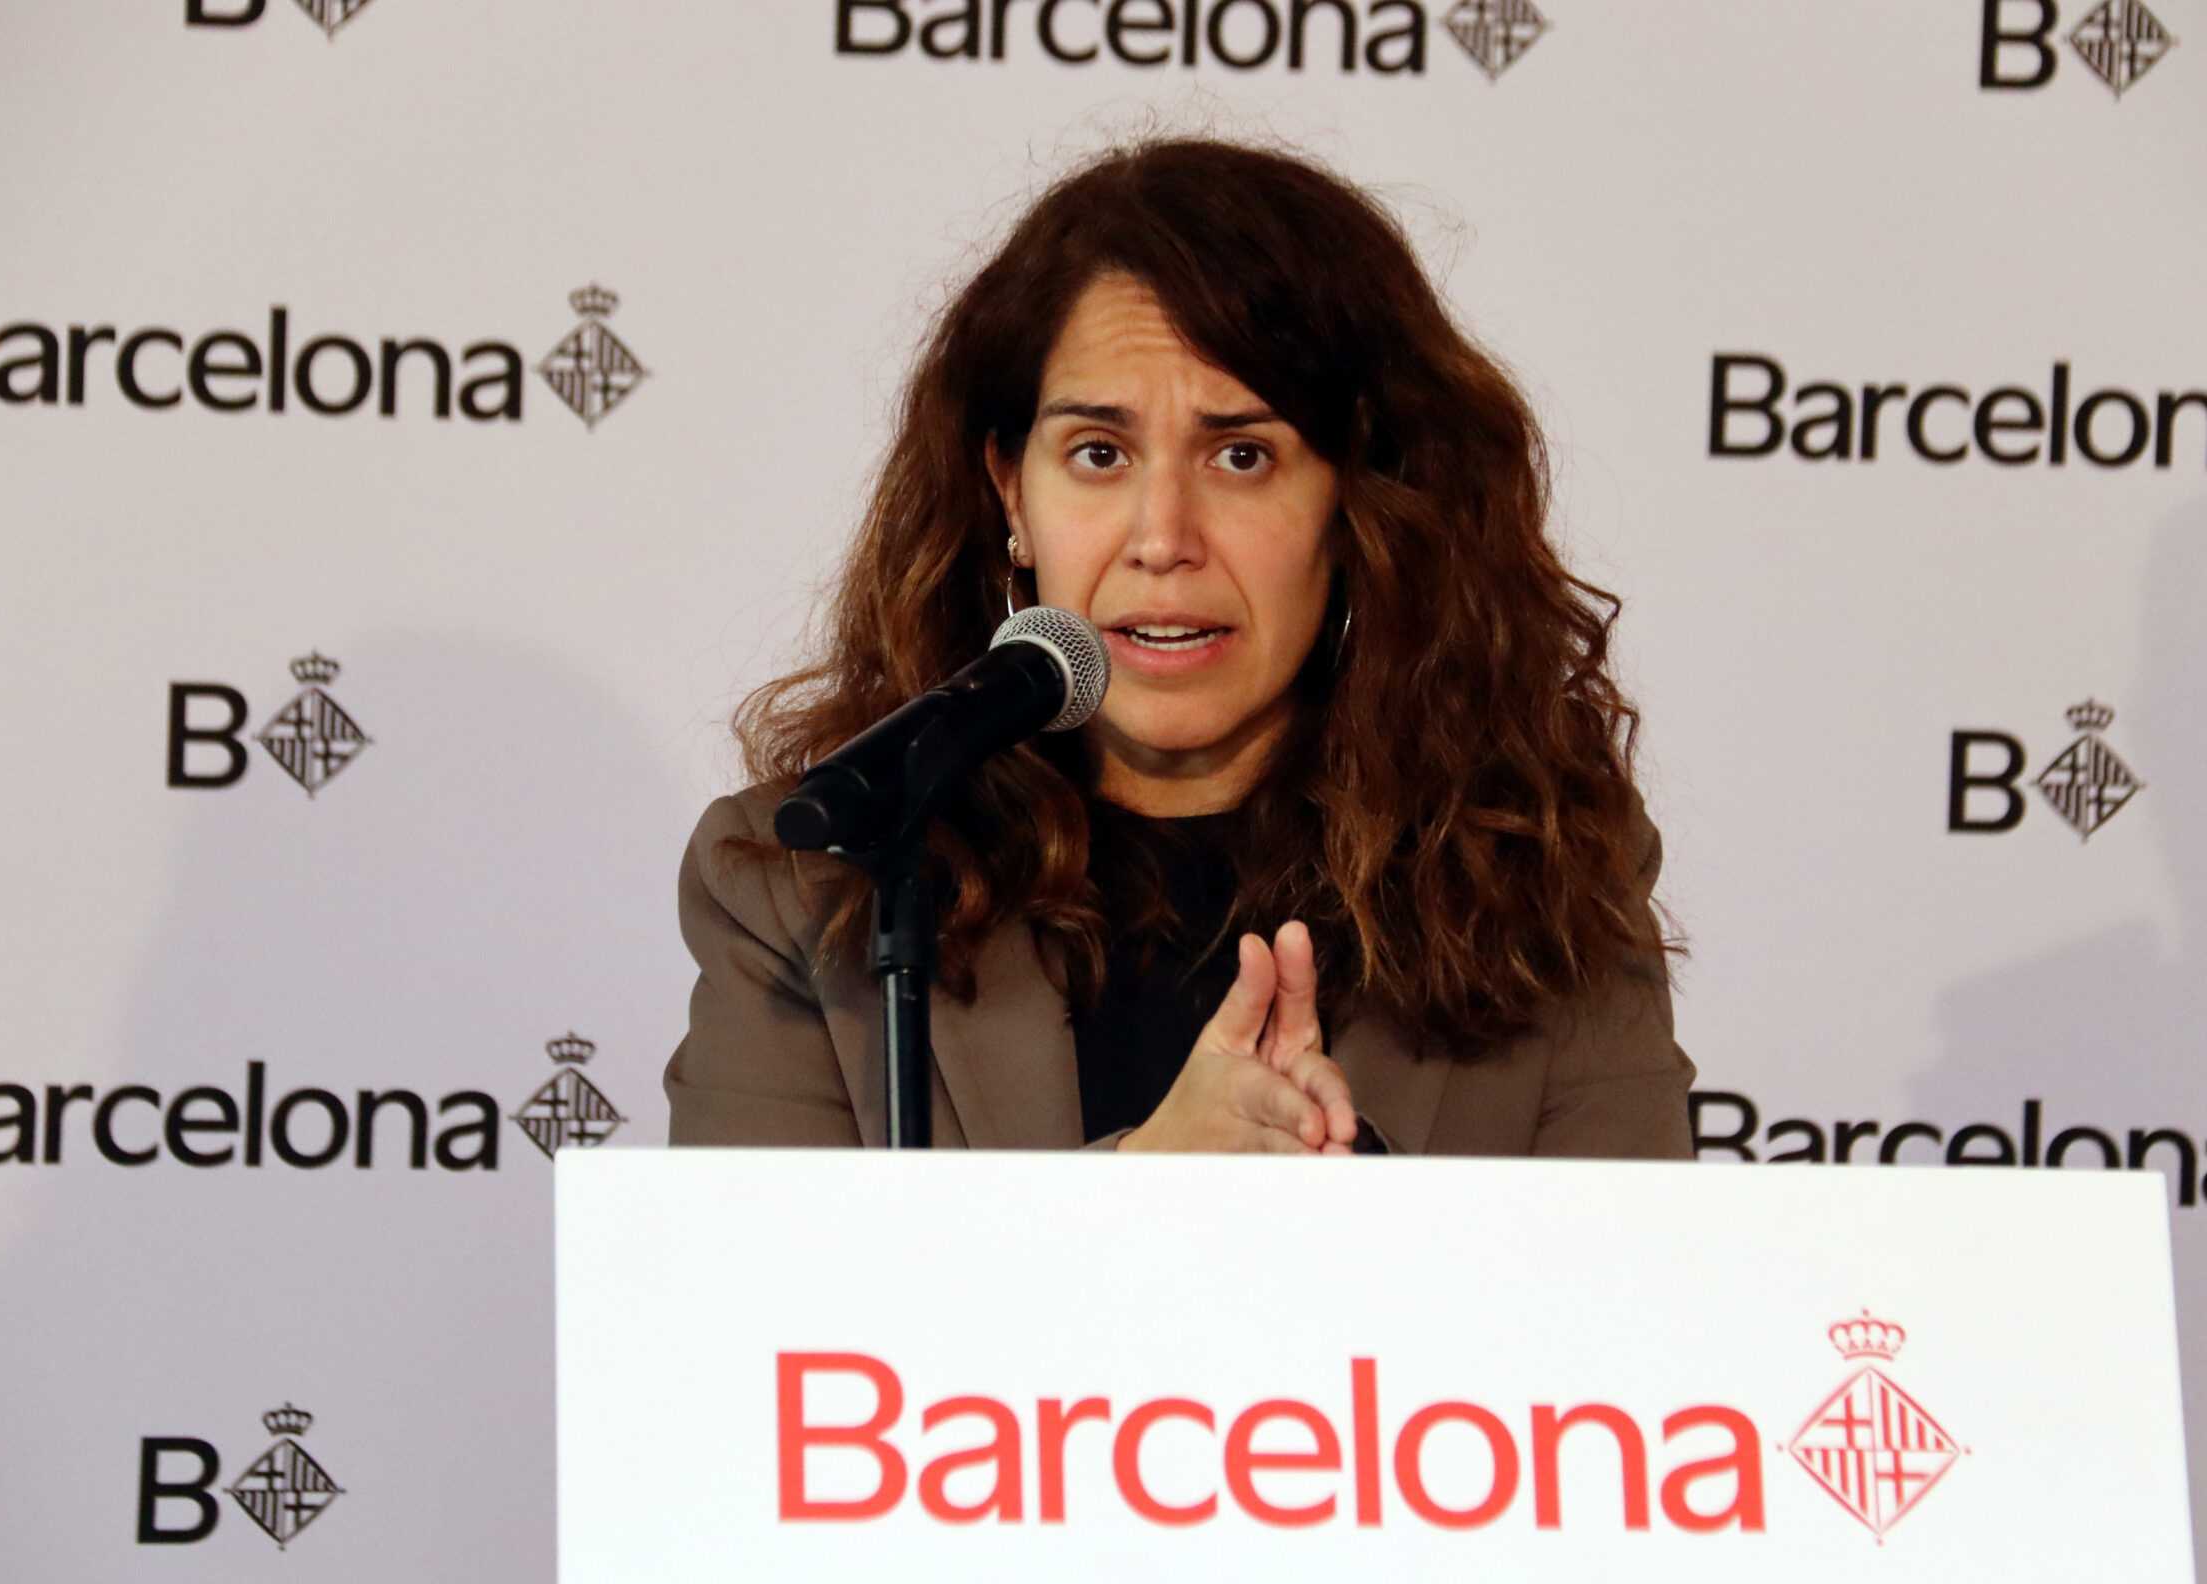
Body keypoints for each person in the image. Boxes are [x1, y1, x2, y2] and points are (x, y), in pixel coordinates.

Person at [666, 137, 1691, 1157]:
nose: (1162, 539)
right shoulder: (811, 884)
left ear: (1358, 503)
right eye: (1098, 453)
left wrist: (1353, 1197)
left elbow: (1633, 1260)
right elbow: (750, 1268)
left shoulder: (1539, 869)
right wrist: (1141, 1189)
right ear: (1011, 492)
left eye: (1242, 455)